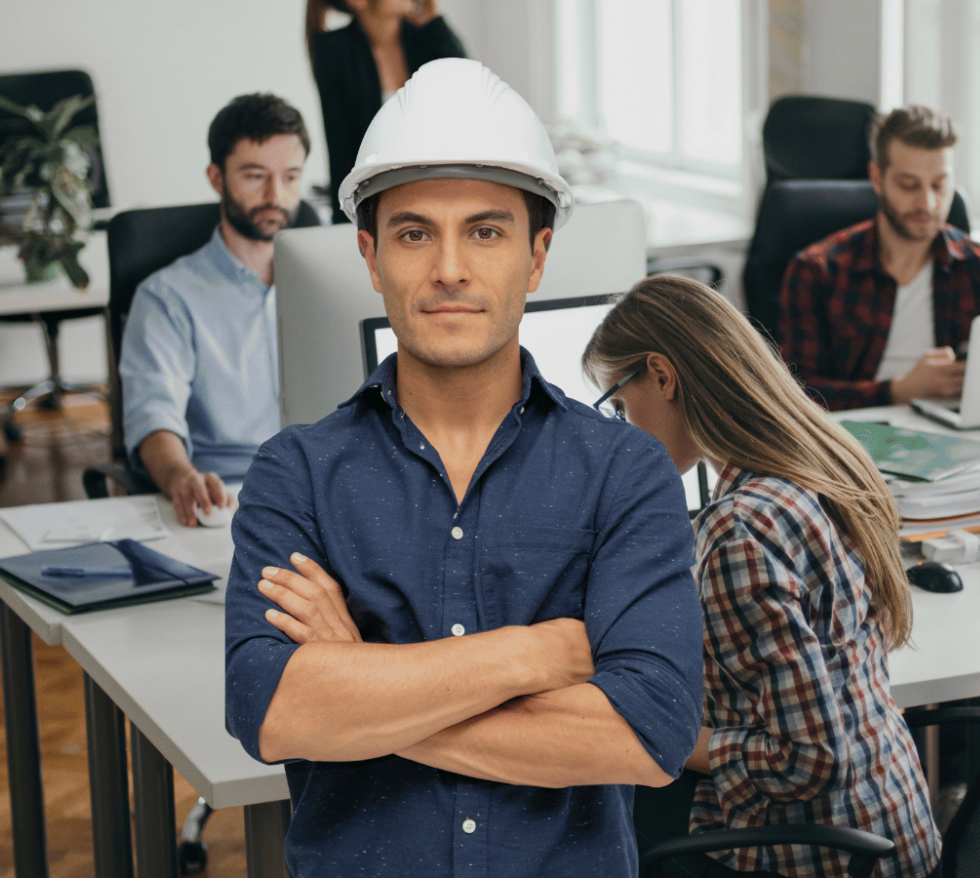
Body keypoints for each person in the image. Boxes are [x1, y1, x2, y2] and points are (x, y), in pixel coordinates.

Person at [225, 59, 704, 877]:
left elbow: (647, 735)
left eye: (485, 231)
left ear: (538, 254)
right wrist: (540, 654)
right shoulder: (295, 473)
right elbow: (272, 712)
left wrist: (363, 684)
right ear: (371, 258)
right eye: (415, 233)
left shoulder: (625, 473)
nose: (450, 268)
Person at [588, 275, 941, 878]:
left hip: (814, 854)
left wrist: (667, 733)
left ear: (663, 376)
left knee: (606, 804)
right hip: (894, 820)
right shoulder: (826, 461)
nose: (620, 429)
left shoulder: (739, 531)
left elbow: (809, 759)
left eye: (619, 406)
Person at [118, 94, 307, 526]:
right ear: (216, 178)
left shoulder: (344, 280)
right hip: (231, 496)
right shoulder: (167, 296)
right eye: (255, 176)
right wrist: (180, 475)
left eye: (291, 176)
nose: (276, 195)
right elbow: (153, 415)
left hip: (335, 488)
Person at [777, 105, 980, 411]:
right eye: (909, 185)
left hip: (960, 435)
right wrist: (899, 391)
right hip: (854, 438)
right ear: (877, 178)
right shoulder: (817, 271)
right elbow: (793, 396)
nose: (926, 203)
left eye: (939, 185)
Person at [307, 0, 467, 222]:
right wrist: (346, 226)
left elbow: (468, 94)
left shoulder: (426, 38)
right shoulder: (334, 49)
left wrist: (435, 23)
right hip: (379, 208)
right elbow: (341, 149)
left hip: (444, 198)